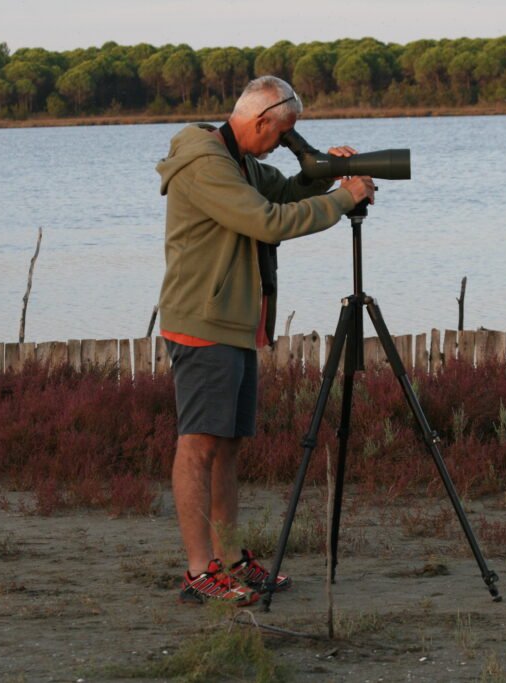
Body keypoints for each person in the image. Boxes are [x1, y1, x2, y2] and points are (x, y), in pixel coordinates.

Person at [156, 76, 375, 606]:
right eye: (283, 134)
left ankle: (230, 561)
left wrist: (324, 169)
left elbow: (284, 191)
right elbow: (267, 222)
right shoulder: (208, 163)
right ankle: (197, 571)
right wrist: (344, 200)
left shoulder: (241, 160)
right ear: (259, 121)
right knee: (199, 445)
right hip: (204, 322)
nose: (283, 142)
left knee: (227, 445)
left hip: (235, 321)